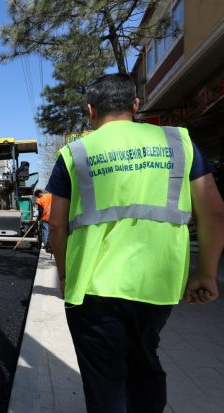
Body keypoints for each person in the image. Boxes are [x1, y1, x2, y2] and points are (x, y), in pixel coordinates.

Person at [46, 73, 224, 413]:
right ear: (136, 105)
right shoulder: (179, 143)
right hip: (157, 285)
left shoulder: (76, 153)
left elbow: (56, 225)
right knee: (144, 363)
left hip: (92, 287)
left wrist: (65, 273)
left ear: (90, 110)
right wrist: (206, 272)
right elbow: (214, 213)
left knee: (105, 380)